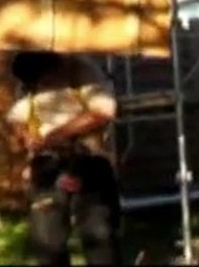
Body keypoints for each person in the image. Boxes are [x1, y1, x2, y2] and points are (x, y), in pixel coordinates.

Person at [7, 50, 123, 267]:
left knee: (99, 234)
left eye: (41, 78)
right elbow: (17, 117)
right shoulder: (27, 76)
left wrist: (56, 135)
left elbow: (103, 111)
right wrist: (25, 136)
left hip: (88, 158)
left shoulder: (82, 69)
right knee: (47, 240)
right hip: (47, 164)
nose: (36, 84)